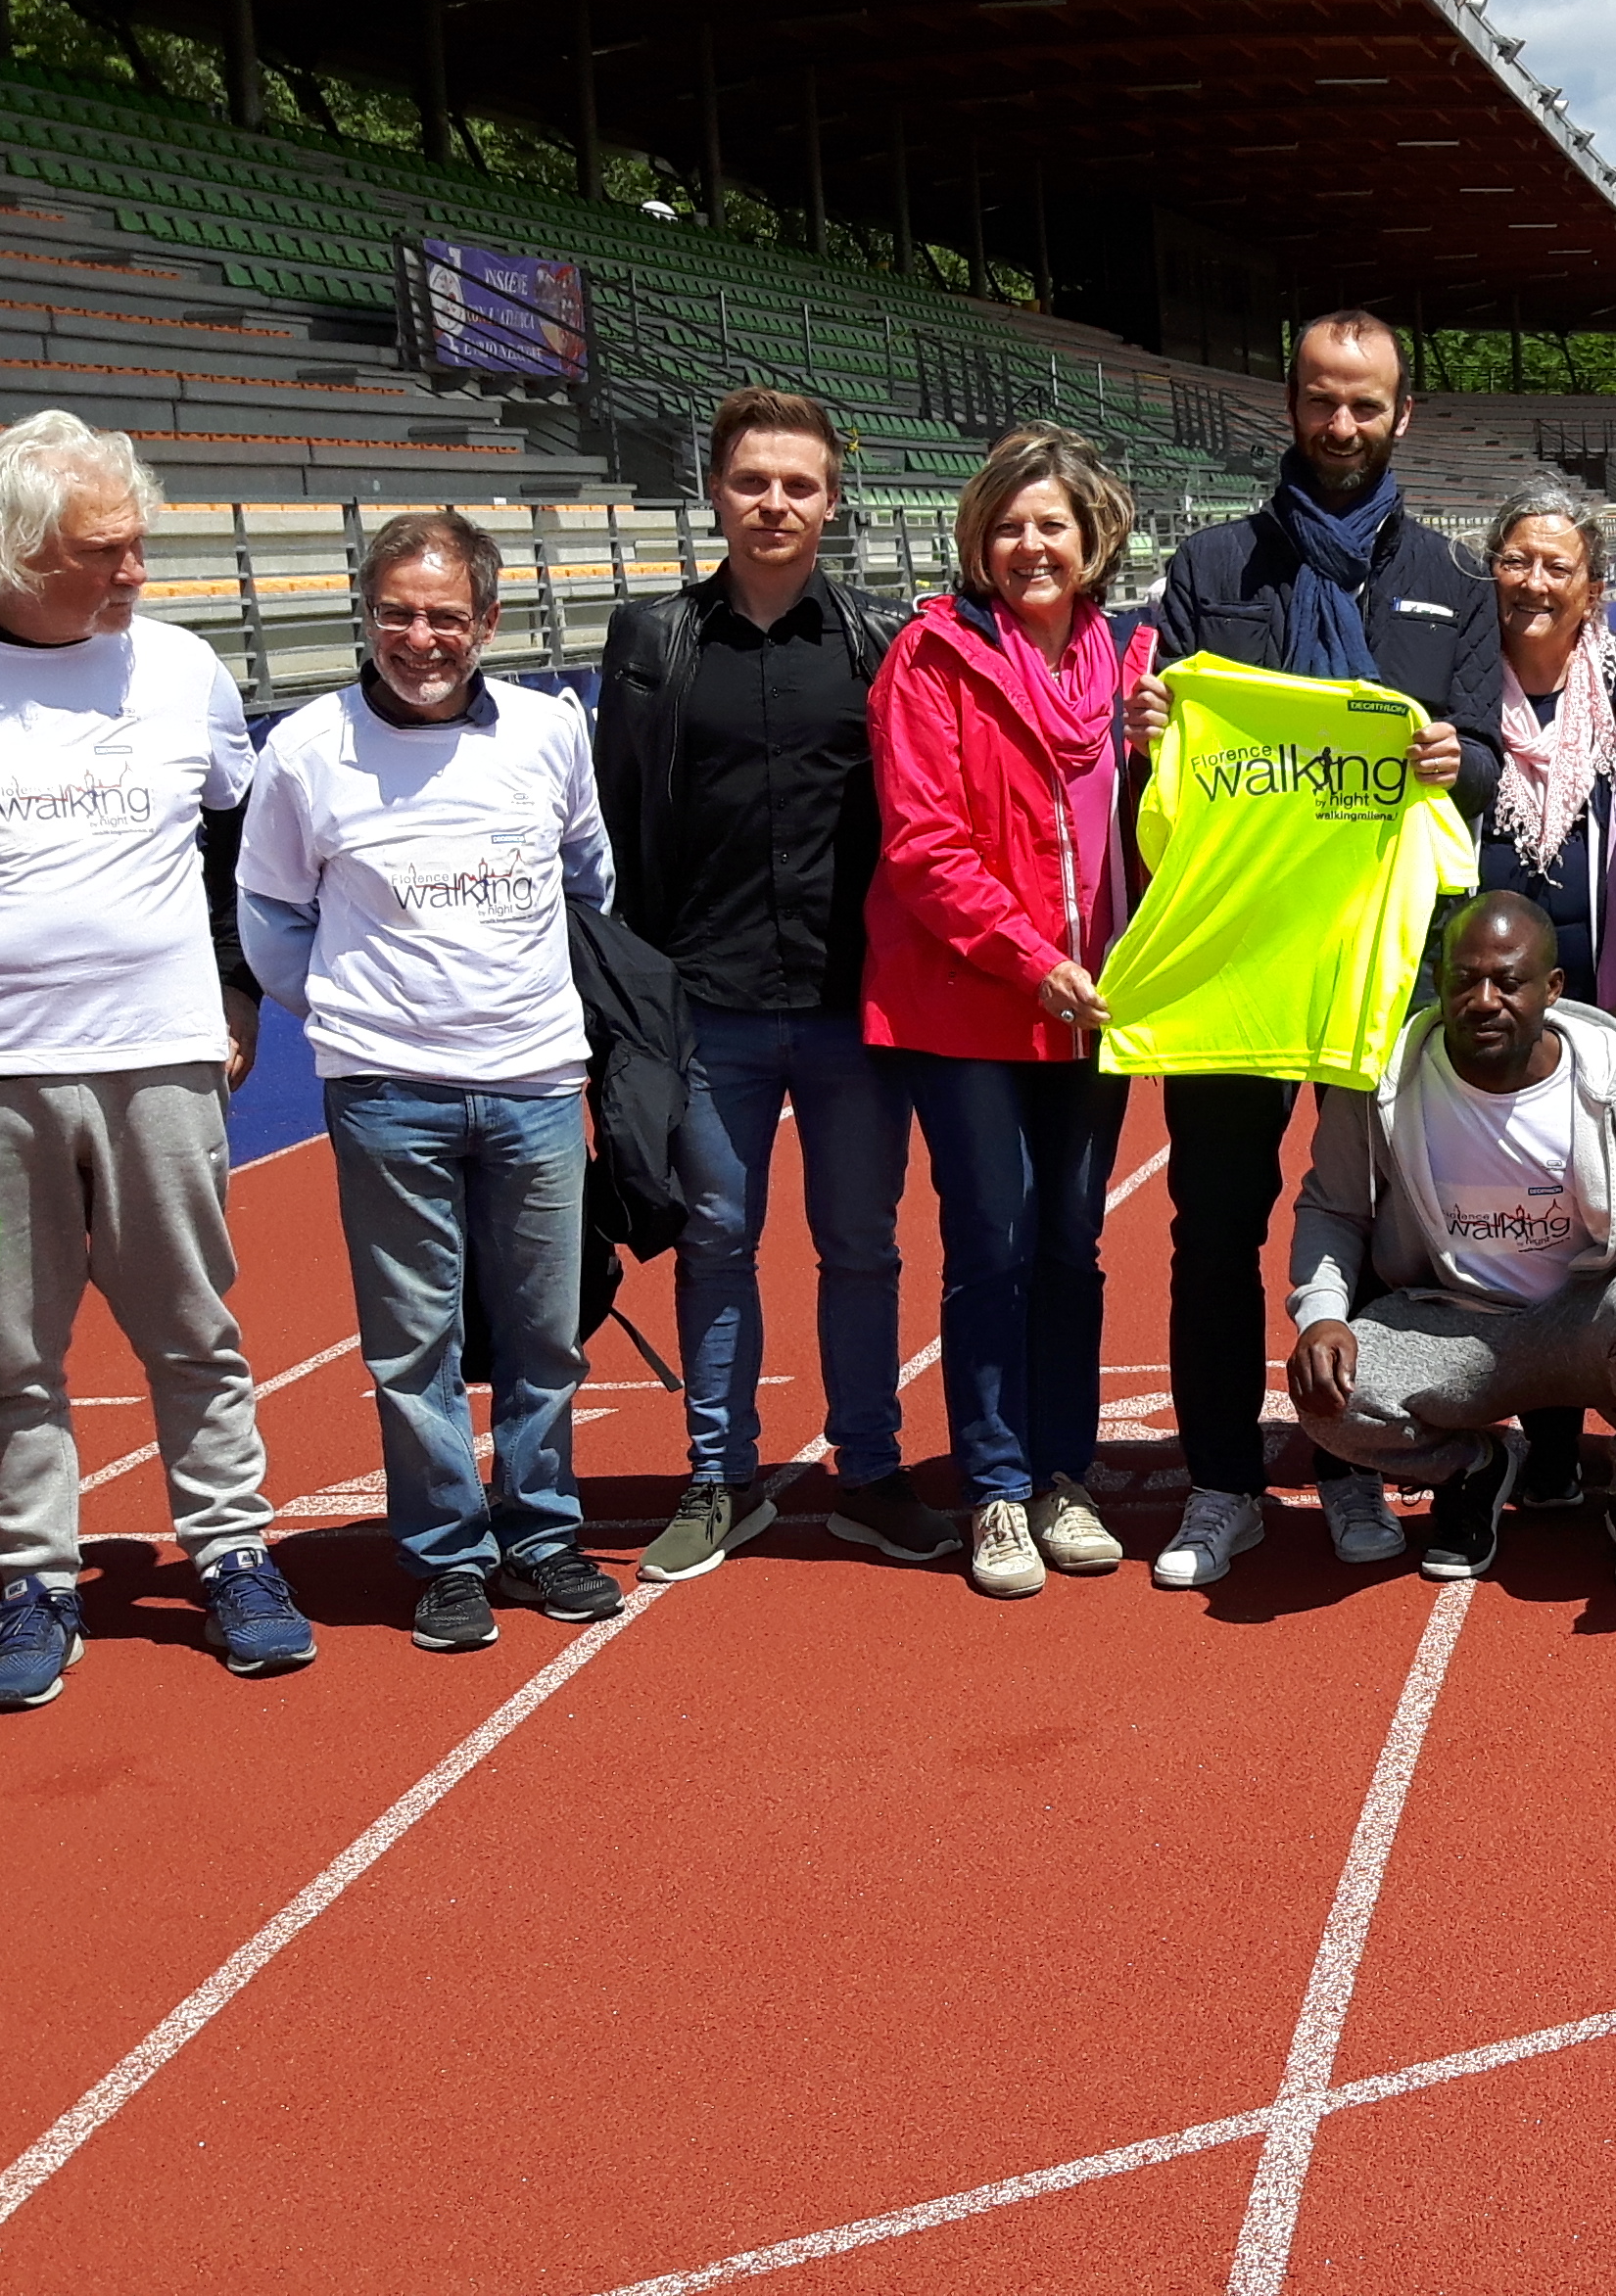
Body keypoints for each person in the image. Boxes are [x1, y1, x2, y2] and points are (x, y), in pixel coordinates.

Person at [0, 408, 304, 1710]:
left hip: (159, 1061)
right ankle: (35, 1578)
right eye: (108, 551)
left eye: (140, 546)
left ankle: (234, 1552)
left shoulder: (184, 669)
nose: (138, 573)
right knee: (11, 1355)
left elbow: (231, 856)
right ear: (19, 550)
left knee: (193, 1328)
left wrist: (238, 990)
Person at [1120, 310, 1503, 1591]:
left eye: (1366, 406)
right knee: (1214, 1227)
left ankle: (1350, 1463)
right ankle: (1223, 1484)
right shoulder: (1214, 569)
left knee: (1380, 1232)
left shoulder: (1452, 581)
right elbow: (1170, 768)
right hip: (1241, 959)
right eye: (1323, 401)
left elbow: (1492, 759)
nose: (1342, 426)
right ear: (1288, 404)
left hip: (1376, 962)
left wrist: (1467, 759)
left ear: (1406, 417)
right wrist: (1154, 726)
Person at [237, 510, 617, 1655]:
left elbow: (589, 878)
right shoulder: (308, 748)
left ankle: (543, 1533)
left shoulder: (552, 733)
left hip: (538, 1082)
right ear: (367, 616)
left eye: (445, 615)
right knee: (415, 1347)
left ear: (487, 622)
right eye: (397, 612)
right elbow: (267, 913)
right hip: (386, 1092)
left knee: (545, 1335)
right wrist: (353, 1011)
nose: (420, 636)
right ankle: (448, 1555)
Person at [594, 386, 917, 1583]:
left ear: (834, 500)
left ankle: (872, 1471)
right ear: (715, 492)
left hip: (850, 1002)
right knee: (718, 1242)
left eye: (798, 484)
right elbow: (619, 821)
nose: (773, 503)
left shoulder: (881, 643)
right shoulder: (653, 641)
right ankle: (721, 1478)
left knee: (861, 1245)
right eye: (751, 482)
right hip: (708, 1001)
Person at [866, 424, 1147, 1600]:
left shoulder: (1136, 672)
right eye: (1011, 525)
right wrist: (1028, 955)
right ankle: (993, 1484)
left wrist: (1154, 756)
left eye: (1053, 527)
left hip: (1101, 1005)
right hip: (971, 1001)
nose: (1032, 546)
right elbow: (924, 843)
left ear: (1093, 544)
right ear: (979, 540)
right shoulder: (929, 660)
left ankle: (1061, 1473)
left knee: (1071, 1247)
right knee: (994, 1242)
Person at [1284, 894, 1616, 1580]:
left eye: (1507, 982)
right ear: (1440, 982)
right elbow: (1331, 1210)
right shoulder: (1382, 1086)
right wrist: (1323, 1315)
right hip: (1456, 1325)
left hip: (1590, 1318)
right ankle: (1476, 1467)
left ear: (1552, 989)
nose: (1483, 1000)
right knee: (1325, 1395)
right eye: (1463, 979)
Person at [1471, 479, 1616, 1514]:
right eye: (1518, 560)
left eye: (1559, 565)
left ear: (1595, 587)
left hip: (1611, 1008)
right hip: (1483, 1021)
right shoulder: (1455, 692)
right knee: (1509, 1224)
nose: (1537, 582)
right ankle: (1536, 1429)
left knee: (1611, 1225)